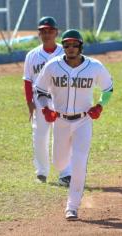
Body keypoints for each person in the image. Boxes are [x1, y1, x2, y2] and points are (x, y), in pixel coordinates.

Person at [35, 29, 113, 220]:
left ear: (80, 47)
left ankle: (72, 206)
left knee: (79, 163)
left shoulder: (94, 66)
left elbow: (108, 88)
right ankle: (66, 165)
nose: (70, 48)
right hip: (60, 120)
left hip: (83, 121)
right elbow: (40, 90)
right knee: (59, 162)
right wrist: (46, 108)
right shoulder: (52, 66)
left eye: (74, 45)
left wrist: (100, 106)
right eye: (67, 45)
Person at [23, 16, 72, 186]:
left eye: (50, 31)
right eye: (43, 31)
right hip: (39, 101)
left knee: (63, 137)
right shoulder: (32, 55)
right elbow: (28, 80)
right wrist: (29, 102)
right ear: (39, 34)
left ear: (56, 32)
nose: (47, 34)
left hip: (61, 100)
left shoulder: (65, 52)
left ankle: (66, 173)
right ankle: (41, 172)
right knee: (40, 137)